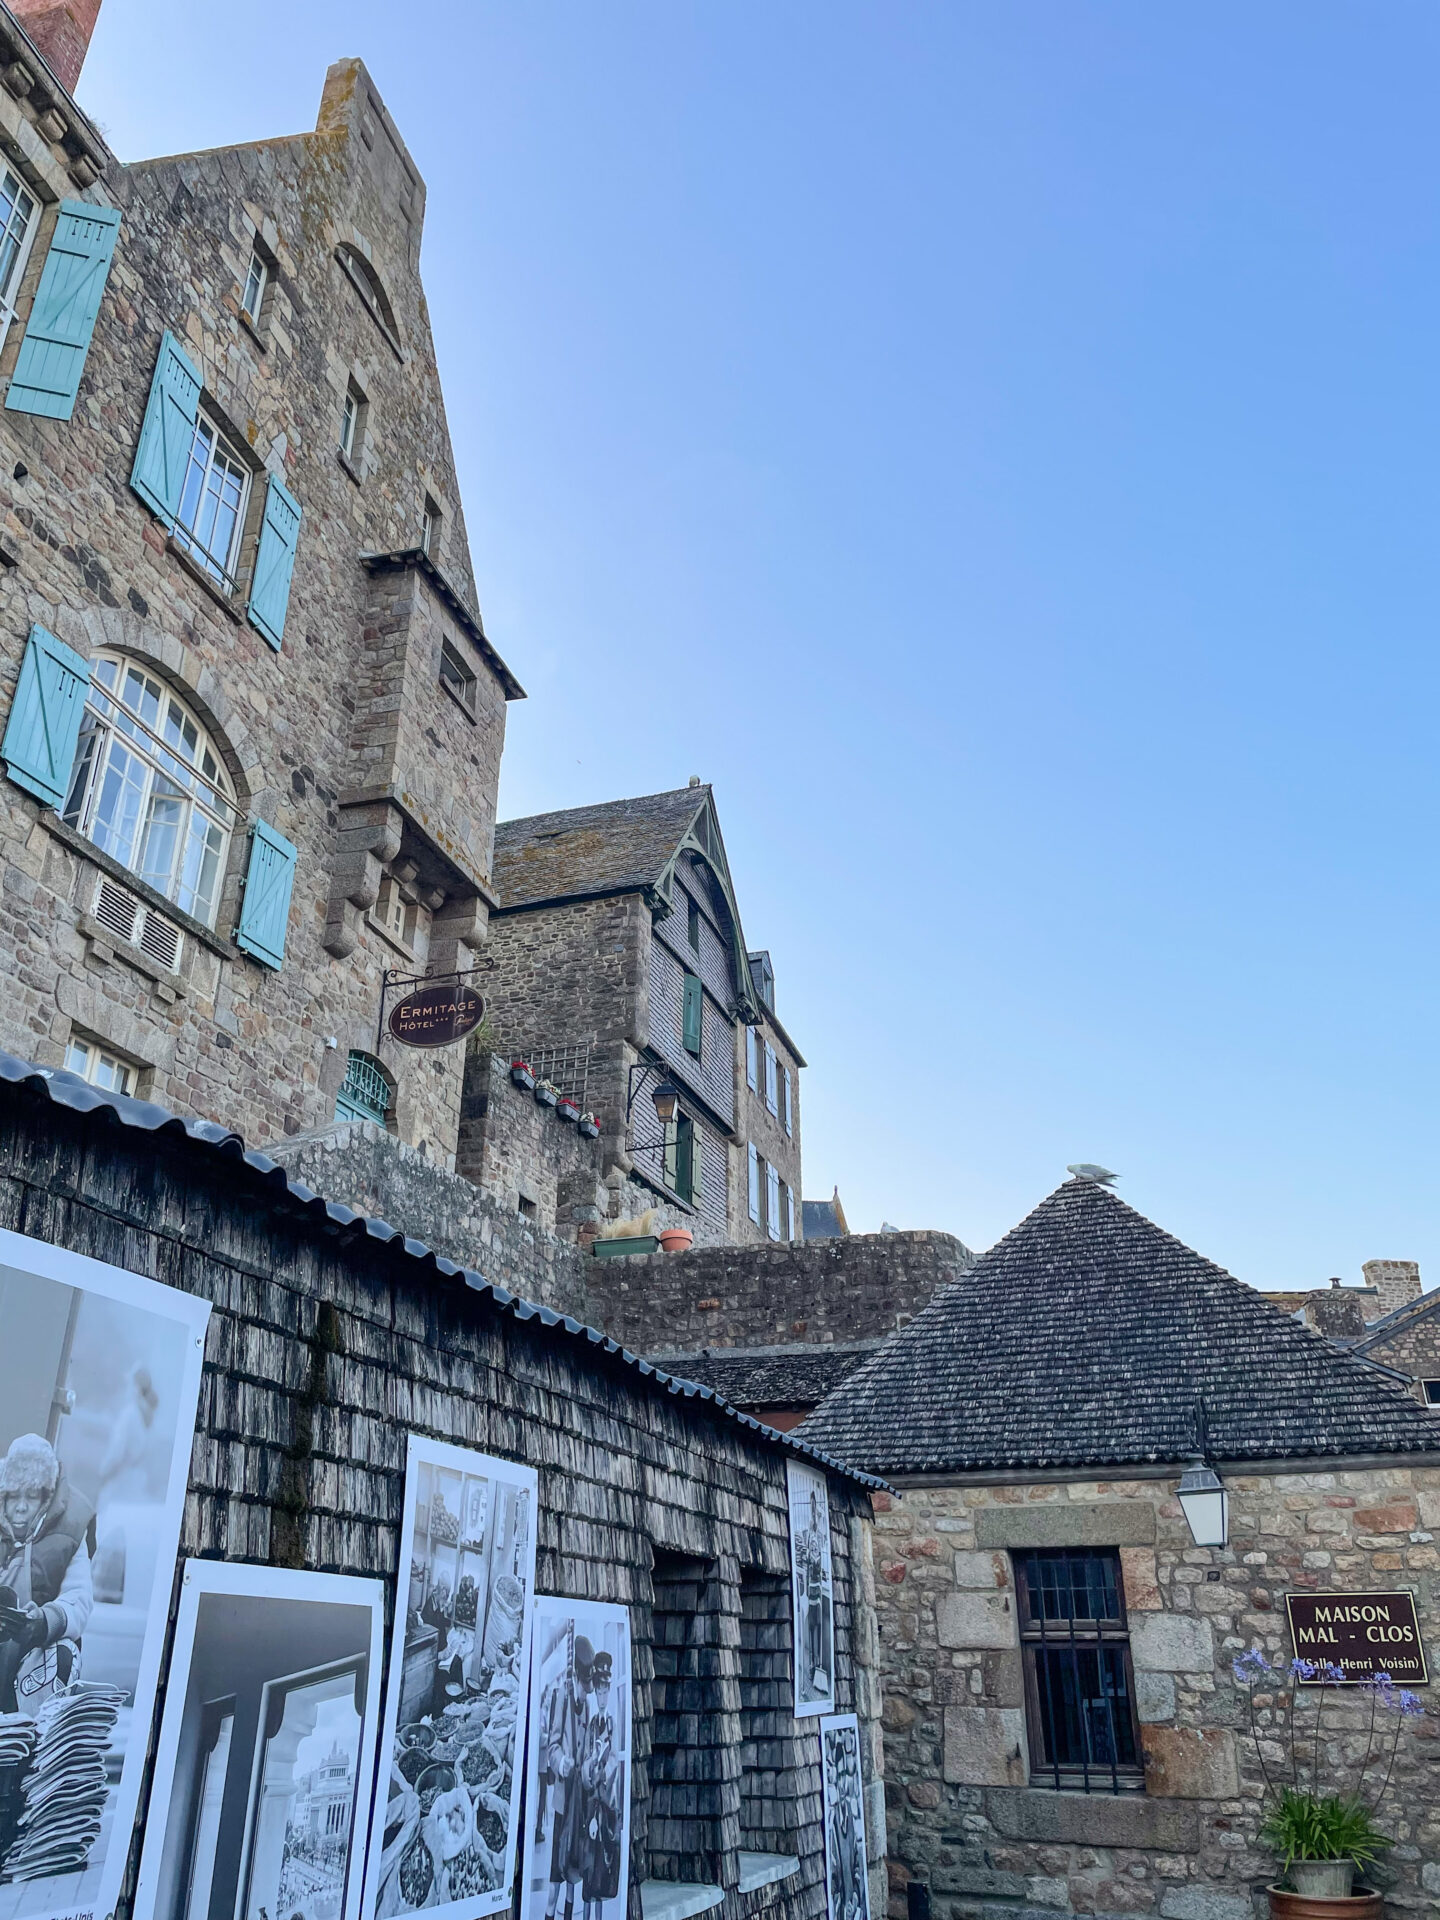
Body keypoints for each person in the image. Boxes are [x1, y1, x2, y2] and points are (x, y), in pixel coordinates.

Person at [0, 1433, 95, 1714]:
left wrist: (43, 1621)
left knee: (62, 1651)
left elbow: (79, 1600)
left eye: (31, 1496)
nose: (20, 1506)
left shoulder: (73, 1527)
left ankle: (34, 1740)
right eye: (14, 1495)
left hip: (32, 1651)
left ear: (45, 1498)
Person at [542, 1633, 592, 1920]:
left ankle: (569, 1914)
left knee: (575, 1869)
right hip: (563, 1800)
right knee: (555, 1873)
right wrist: (562, 1763)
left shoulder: (586, 1705)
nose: (585, 1693)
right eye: (583, 1686)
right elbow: (552, 1746)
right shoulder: (560, 1697)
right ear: (574, 1677)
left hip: (581, 1800)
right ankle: (550, 1913)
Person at [580, 1650, 622, 1920]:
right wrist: (590, 1765)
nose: (602, 1696)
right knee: (588, 1871)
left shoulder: (612, 1724)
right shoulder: (592, 1724)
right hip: (592, 1807)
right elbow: (584, 1763)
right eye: (599, 1691)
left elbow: (615, 1761)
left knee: (604, 1873)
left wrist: (600, 1773)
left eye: (606, 1690)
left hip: (607, 1808)